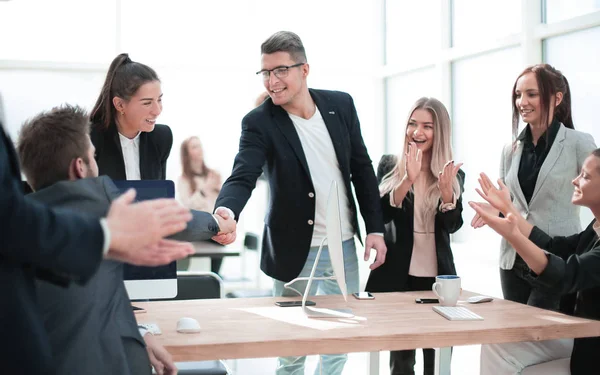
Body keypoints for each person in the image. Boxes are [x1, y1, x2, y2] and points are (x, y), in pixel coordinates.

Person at [213, 31, 387, 375]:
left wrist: (375, 229)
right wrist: (226, 210)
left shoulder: (341, 105)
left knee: (338, 343)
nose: (271, 82)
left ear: (304, 69)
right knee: (292, 349)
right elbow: (243, 174)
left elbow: (362, 170)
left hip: (342, 247)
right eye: (265, 73)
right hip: (293, 248)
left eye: (280, 71)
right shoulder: (259, 122)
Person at [17, 104, 236, 375]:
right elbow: (163, 219)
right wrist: (216, 223)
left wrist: (141, 333)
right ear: (80, 167)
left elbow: (83, 308)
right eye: (93, 156)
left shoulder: (22, 230)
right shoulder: (96, 196)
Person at [471, 64, 596, 311]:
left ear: (557, 98)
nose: (522, 102)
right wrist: (493, 210)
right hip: (513, 258)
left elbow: (596, 188)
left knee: (543, 341)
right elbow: (511, 205)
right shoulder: (510, 149)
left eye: (531, 94)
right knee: (517, 337)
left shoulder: (578, 143)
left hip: (556, 260)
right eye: (518, 95)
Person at [471, 150, 600, 374]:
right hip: (582, 338)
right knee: (496, 342)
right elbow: (553, 246)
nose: (575, 180)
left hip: (592, 352)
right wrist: (508, 210)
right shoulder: (595, 229)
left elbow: (565, 276)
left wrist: (514, 236)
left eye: (585, 176)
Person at [365, 97, 464, 375]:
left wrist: (446, 193)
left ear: (440, 131)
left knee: (437, 357)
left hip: (437, 277)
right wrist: (407, 178)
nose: (417, 132)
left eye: (427, 126)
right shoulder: (389, 165)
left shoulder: (453, 173)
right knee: (401, 360)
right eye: (412, 124)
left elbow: (454, 226)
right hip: (398, 274)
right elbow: (381, 216)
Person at [178, 136, 223, 273]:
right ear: (187, 153)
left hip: (215, 226)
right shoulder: (183, 180)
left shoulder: (213, 175)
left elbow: (221, 202)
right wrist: (204, 190)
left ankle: (216, 280)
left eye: (200, 145)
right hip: (197, 227)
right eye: (194, 146)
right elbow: (187, 207)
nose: (200, 150)